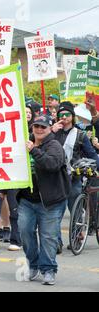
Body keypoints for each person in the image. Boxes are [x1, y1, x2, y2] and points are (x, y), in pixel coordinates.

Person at [18, 114, 70, 285]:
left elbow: (52, 164)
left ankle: (48, 269)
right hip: (27, 200)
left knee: (48, 237)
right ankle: (33, 265)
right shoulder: (24, 143)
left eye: (43, 127)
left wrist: (33, 150)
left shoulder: (54, 145)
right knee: (25, 232)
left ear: (50, 129)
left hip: (51, 202)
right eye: (36, 126)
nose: (39, 129)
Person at [51, 101, 99, 252]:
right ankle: (56, 242)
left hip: (74, 177)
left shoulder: (80, 134)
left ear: (72, 116)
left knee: (75, 209)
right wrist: (51, 131)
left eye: (67, 115)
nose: (64, 117)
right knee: (55, 212)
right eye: (61, 114)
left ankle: (77, 235)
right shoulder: (52, 132)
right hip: (55, 178)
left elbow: (92, 154)